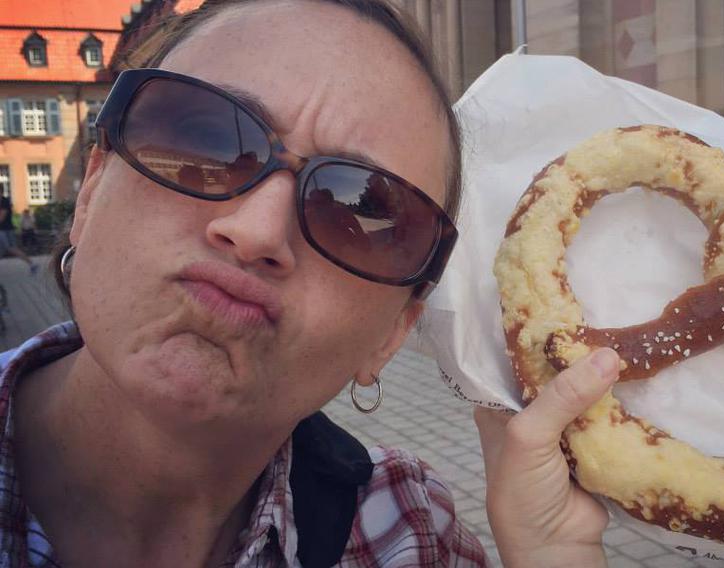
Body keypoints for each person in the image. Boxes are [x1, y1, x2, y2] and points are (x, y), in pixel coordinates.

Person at [0, 1, 622, 566]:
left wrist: (554, 553)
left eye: (358, 209)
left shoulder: (406, 532)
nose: (258, 230)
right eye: (204, 138)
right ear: (91, 190)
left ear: (393, 333)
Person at [0, 195, 38, 274]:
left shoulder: (4, 201)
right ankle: (32, 264)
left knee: (11, 248)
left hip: (5, 230)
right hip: (4, 230)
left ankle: (32, 264)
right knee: (7, 249)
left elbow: (2, 217)